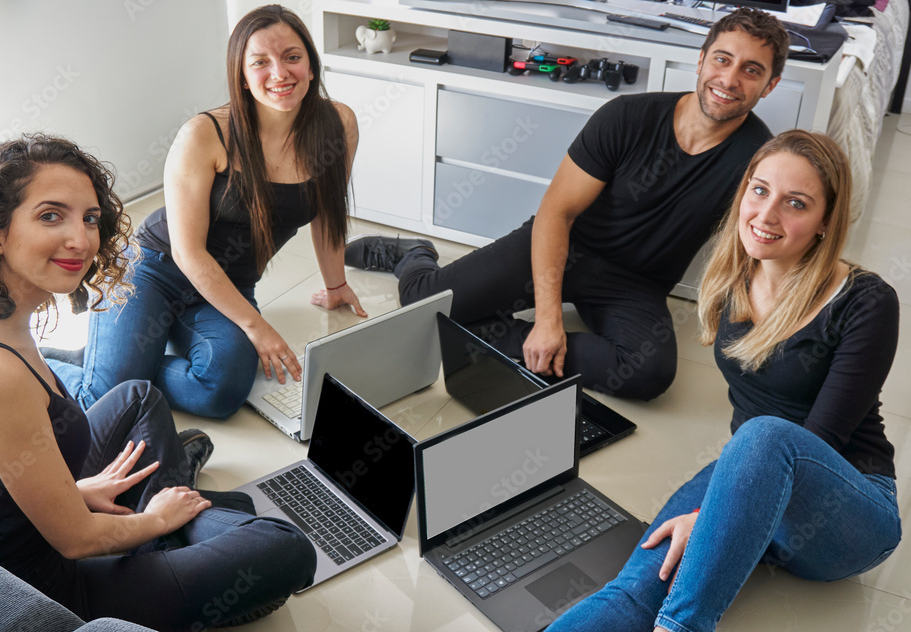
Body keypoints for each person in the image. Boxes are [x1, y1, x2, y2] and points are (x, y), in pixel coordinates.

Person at [0, 135, 316, 631]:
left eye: (89, 218)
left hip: (3, 528)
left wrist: (72, 491)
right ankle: (175, 511)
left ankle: (165, 499)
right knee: (286, 548)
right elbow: (76, 541)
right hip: (42, 582)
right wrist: (157, 520)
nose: (81, 240)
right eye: (50, 216)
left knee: (138, 397)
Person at [546, 130, 901, 632]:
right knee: (634, 589)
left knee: (765, 435)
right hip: (748, 477)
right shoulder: (733, 276)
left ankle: (684, 627)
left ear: (826, 222)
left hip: (845, 511)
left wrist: (713, 518)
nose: (766, 215)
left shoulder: (866, 301)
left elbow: (821, 438)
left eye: (795, 203)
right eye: (759, 190)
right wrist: (722, 511)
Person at [346, 7, 788, 400]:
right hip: (563, 245)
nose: (729, 80)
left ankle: (488, 336)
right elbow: (557, 213)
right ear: (701, 59)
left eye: (751, 70)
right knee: (423, 302)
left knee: (648, 375)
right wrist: (549, 319)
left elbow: (761, 248)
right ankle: (415, 256)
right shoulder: (628, 116)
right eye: (722, 59)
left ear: (770, 85)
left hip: (634, 285)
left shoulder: (761, 161)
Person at [46, 4, 365, 418]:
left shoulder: (338, 124)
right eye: (260, 62)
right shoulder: (205, 134)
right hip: (154, 269)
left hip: (230, 283)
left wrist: (336, 283)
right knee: (105, 399)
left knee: (219, 393)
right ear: (243, 76)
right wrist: (256, 326)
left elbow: (327, 212)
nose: (280, 74)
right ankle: (51, 361)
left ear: (311, 64)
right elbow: (188, 252)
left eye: (292, 57)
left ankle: (123, 359)